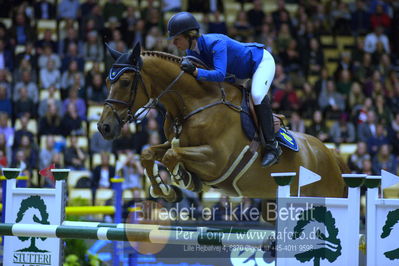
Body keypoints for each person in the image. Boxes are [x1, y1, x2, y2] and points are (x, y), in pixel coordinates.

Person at [167, 12, 280, 167]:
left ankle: (272, 147)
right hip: (237, 74)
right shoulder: (190, 52)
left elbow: (219, 75)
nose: (174, 43)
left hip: (259, 62)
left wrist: (195, 71)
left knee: (258, 95)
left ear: (190, 35)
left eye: (177, 39)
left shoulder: (215, 43)